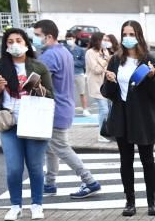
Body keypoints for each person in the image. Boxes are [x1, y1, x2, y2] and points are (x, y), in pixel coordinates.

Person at [0, 28, 54, 221]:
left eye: (19, 40)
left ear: (26, 43)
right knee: (14, 167)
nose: (15, 44)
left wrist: (38, 87)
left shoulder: (38, 66)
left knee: (35, 166)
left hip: (33, 121)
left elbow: (51, 95)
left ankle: (37, 204)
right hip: (9, 122)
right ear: (5, 45)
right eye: (10, 41)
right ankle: (15, 205)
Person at [32, 20, 102, 200]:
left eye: (37, 35)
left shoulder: (48, 57)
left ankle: (89, 181)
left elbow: (35, 83)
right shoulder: (64, 52)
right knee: (51, 148)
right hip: (65, 105)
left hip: (54, 108)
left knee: (60, 147)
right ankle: (49, 183)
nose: (35, 38)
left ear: (48, 36)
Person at [101, 20, 155, 217]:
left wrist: (152, 76)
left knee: (147, 159)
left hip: (143, 116)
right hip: (121, 115)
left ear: (139, 36)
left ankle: (152, 201)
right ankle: (130, 201)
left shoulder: (148, 59)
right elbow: (107, 92)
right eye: (124, 34)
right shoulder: (115, 60)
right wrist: (110, 81)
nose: (127, 38)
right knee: (125, 160)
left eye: (131, 34)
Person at [85, 32, 112, 143]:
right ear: (97, 40)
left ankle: (108, 130)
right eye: (104, 39)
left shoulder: (105, 51)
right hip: (96, 84)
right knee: (104, 109)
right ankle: (101, 134)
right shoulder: (90, 53)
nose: (106, 42)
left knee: (109, 108)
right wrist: (107, 60)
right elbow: (96, 69)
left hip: (106, 83)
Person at [65, 34, 89, 116]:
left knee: (82, 92)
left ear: (74, 39)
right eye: (67, 38)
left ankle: (85, 109)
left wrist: (73, 62)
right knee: (68, 93)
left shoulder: (80, 50)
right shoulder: (64, 49)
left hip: (79, 73)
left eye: (70, 38)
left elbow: (83, 63)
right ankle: (70, 110)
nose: (69, 40)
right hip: (68, 74)